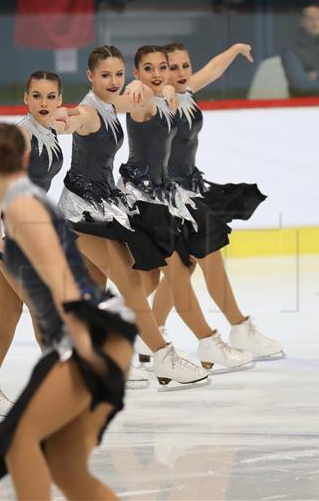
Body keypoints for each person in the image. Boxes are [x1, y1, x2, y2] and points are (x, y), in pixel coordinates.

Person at [0, 122, 138, 499]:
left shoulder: (23, 207)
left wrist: (85, 349)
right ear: (27, 157)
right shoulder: (27, 200)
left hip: (88, 336)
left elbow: (62, 283)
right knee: (67, 468)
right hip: (105, 331)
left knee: (22, 442)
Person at [57, 45, 210, 388]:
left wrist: (164, 88)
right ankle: (162, 355)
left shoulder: (112, 104)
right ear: (90, 76)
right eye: (105, 75)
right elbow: (72, 120)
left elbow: (145, 98)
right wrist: (61, 118)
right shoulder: (88, 111)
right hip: (81, 213)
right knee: (129, 281)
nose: (113, 81)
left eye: (119, 74)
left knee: (98, 288)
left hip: (102, 208)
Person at [118, 45, 254, 373]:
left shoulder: (173, 95)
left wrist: (234, 49)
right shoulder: (141, 99)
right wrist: (137, 88)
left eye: (162, 68)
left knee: (150, 281)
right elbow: (126, 100)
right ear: (137, 73)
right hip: (142, 203)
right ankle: (203, 341)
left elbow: (210, 71)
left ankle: (137, 340)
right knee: (175, 272)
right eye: (148, 69)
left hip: (165, 201)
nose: (159, 74)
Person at [149, 42, 285, 361]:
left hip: (191, 188)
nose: (181, 73)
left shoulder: (187, 91)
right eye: (172, 67)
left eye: (185, 65)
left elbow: (212, 69)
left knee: (185, 266)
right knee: (205, 257)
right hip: (169, 196)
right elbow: (132, 91)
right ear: (160, 71)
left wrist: (235, 49)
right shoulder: (155, 99)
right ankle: (238, 327)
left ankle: (151, 332)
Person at [0, 70, 74, 422]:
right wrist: (0, 237)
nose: (44, 103)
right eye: (37, 96)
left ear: (60, 100)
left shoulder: (49, 130)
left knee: (9, 313)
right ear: (25, 98)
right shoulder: (23, 133)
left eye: (51, 96)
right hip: (10, 233)